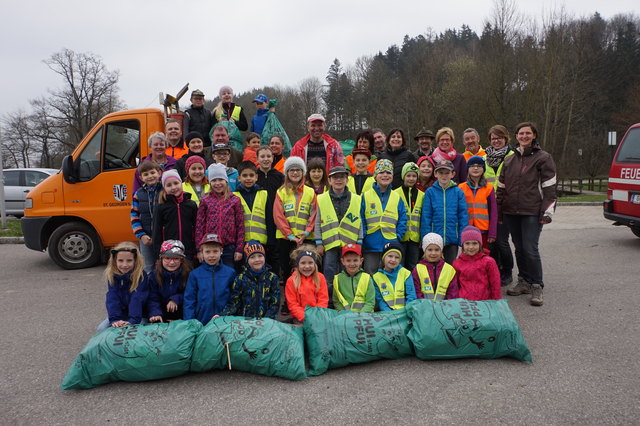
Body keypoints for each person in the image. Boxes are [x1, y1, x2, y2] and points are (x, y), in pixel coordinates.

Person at [497, 121, 557, 306]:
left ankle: (537, 285)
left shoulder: (543, 158)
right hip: (511, 212)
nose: (524, 136)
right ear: (516, 137)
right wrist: (498, 212)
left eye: (527, 133)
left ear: (534, 136)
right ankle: (523, 281)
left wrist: (548, 212)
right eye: (521, 133)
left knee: (530, 248)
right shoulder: (509, 160)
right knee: (519, 248)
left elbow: (550, 188)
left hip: (531, 211)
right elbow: (501, 188)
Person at [315, 166, 363, 294]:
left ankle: (346, 298)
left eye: (342, 177)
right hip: (329, 245)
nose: (338, 180)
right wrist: (319, 243)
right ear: (329, 180)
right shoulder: (321, 198)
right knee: (329, 273)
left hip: (350, 244)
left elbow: (360, 222)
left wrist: (359, 241)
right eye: (335, 177)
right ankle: (329, 300)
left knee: (348, 273)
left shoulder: (357, 199)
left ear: (347, 180)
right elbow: (317, 222)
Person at [274, 156, 317, 285]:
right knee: (287, 272)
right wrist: (290, 235)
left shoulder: (310, 192)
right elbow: (278, 216)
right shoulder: (281, 192)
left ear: (303, 172)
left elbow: (314, 214)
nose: (295, 172)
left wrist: (307, 232)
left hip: (306, 239)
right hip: (286, 239)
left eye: (298, 169)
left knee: (307, 271)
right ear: (286, 173)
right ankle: (288, 302)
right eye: (291, 170)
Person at [361, 159, 408, 274]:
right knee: (370, 275)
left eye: (388, 172)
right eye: (381, 172)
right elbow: (360, 218)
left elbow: (403, 218)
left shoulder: (397, 197)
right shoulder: (365, 196)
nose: (385, 175)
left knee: (389, 276)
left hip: (391, 244)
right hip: (370, 245)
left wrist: (398, 236)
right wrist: (365, 235)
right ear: (376, 176)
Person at [195, 163, 245, 268]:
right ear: (209, 182)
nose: (217, 183)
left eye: (220, 180)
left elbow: (240, 225)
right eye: (214, 180)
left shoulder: (235, 200)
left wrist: (239, 249)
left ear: (226, 181)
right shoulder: (205, 200)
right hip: (210, 247)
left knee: (228, 275)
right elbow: (199, 227)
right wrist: (199, 249)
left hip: (229, 247)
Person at [420, 160, 469, 264]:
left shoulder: (458, 192)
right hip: (434, 239)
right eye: (441, 173)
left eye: (447, 173)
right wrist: (426, 238)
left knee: (450, 266)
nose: (444, 176)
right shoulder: (430, 192)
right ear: (435, 174)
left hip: (452, 238)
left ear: (453, 174)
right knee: (434, 266)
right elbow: (426, 217)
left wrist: (462, 238)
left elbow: (463, 216)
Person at [183, 233, 237, 325]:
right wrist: (190, 323)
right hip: (201, 321)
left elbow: (234, 299)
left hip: (225, 321)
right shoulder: (195, 274)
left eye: (215, 251)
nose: (211, 255)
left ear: (221, 251)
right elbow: (189, 301)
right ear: (201, 253)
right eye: (207, 252)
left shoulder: (230, 273)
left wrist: (226, 314)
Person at [485, 125, 515, 285]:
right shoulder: (485, 158)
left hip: (505, 205)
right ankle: (495, 269)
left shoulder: (513, 156)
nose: (496, 141)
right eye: (493, 138)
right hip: (488, 206)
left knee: (502, 240)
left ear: (506, 138)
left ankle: (507, 271)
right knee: (492, 241)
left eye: (499, 138)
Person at [221, 240, 280, 319]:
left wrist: (267, 319)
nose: (257, 260)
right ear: (246, 260)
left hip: (266, 323)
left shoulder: (272, 278)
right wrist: (222, 316)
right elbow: (234, 303)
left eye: (260, 256)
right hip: (245, 323)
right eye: (252, 257)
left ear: (264, 257)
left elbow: (275, 303)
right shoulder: (240, 279)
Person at [97, 242, 148, 331]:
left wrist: (132, 321)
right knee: (101, 329)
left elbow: (137, 298)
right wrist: (115, 319)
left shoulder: (141, 276)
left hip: (139, 315)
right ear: (115, 261)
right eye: (120, 260)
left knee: (133, 331)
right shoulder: (112, 275)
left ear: (135, 260)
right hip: (121, 315)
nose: (125, 265)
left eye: (129, 260)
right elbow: (112, 298)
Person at [152, 170, 198, 261]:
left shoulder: (191, 205)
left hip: (188, 251)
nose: (173, 187)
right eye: (169, 185)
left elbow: (197, 228)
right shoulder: (161, 207)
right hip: (169, 252)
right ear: (164, 188)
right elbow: (156, 232)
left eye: (176, 183)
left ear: (181, 183)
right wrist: (158, 254)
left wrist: (196, 250)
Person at [256, 145, 285, 273]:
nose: (266, 159)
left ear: (273, 158)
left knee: (275, 249)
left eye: (268, 156)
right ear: (257, 158)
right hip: (259, 217)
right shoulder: (254, 176)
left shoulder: (279, 177)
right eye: (262, 156)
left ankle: (275, 277)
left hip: (276, 218)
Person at [452, 226, 501, 301]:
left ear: (480, 244)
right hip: (464, 303)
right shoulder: (457, 263)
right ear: (462, 245)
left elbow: (495, 285)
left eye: (474, 243)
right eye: (467, 243)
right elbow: (455, 286)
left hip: (484, 302)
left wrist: (497, 302)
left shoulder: (489, 262)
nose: (471, 247)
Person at [147, 240, 192, 322]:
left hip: (182, 315)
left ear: (181, 260)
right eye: (167, 258)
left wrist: (176, 299)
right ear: (161, 259)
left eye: (176, 259)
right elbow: (152, 298)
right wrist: (155, 313)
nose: (171, 262)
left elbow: (190, 294)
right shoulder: (154, 275)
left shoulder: (188, 274)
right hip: (161, 315)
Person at [458, 156, 497, 249]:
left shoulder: (489, 188)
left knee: (483, 256)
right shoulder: (461, 187)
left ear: (483, 169)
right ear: (468, 169)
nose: (475, 168)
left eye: (479, 166)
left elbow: (493, 212)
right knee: (467, 255)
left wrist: (492, 233)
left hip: (483, 230)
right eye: (472, 166)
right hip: (466, 229)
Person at [130, 160, 162, 273]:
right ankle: (149, 290)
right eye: (146, 174)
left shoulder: (164, 191)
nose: (150, 176)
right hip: (146, 237)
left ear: (159, 173)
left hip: (163, 236)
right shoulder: (138, 194)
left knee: (163, 265)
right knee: (148, 267)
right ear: (141, 177)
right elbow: (134, 215)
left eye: (152, 172)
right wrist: (141, 235)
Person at [285, 245, 329, 323]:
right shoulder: (291, 280)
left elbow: (323, 300)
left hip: (318, 316)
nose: (307, 266)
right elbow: (292, 304)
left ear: (315, 264)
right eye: (303, 263)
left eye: (310, 263)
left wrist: (316, 316)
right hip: (300, 318)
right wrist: (305, 318)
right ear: (297, 265)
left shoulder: (320, 277)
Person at [394, 162, 423, 271]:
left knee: (413, 267)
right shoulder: (395, 194)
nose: (411, 179)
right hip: (400, 238)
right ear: (403, 176)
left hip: (415, 240)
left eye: (414, 176)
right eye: (408, 175)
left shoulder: (422, 195)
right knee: (398, 266)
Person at [411, 233, 458, 300]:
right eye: (430, 250)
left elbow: (452, 293)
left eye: (437, 250)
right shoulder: (418, 269)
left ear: (441, 251)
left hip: (444, 308)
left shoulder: (449, 270)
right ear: (424, 251)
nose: (433, 253)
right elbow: (416, 291)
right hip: (424, 308)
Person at [372, 241, 416, 311]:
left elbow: (411, 296)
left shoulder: (406, 273)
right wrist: (389, 312)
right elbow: (379, 300)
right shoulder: (376, 277)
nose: (393, 260)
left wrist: (405, 311)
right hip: (387, 314)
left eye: (397, 257)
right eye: (390, 256)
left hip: (404, 312)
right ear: (383, 257)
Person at [332, 243, 375, 312]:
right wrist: (344, 313)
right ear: (342, 261)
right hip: (345, 317)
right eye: (348, 260)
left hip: (365, 317)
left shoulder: (367, 278)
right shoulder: (337, 279)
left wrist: (359, 315)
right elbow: (336, 301)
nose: (352, 264)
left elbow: (370, 302)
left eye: (355, 260)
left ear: (361, 261)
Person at [234, 161, 268, 245]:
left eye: (251, 175)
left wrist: (271, 243)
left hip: (262, 242)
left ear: (256, 177)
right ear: (239, 178)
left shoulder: (264, 194)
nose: (248, 178)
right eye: (244, 175)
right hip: (241, 242)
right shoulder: (234, 196)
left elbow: (269, 220)